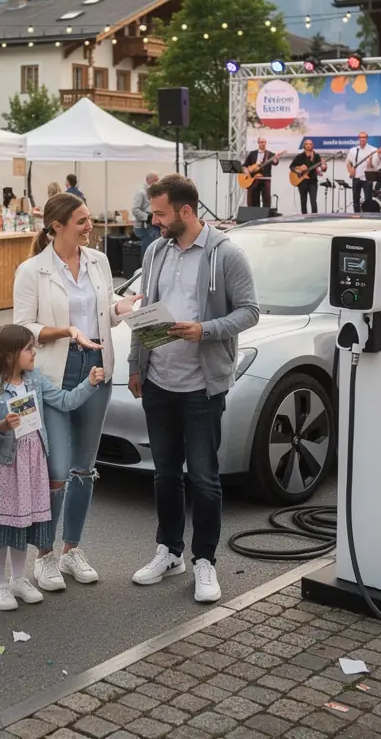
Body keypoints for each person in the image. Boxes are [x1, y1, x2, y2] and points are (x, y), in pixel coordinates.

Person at [127, 174, 259, 604]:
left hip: (203, 387)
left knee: (203, 478)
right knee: (164, 473)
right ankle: (169, 550)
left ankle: (205, 560)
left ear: (186, 211)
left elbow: (250, 312)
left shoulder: (227, 255)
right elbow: (146, 310)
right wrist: (135, 364)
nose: (154, 220)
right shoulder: (155, 251)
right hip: (159, 381)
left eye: (161, 213)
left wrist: (205, 330)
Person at [13, 193, 142, 591]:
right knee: (56, 470)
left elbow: (104, 307)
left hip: (98, 369)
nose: (90, 227)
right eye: (82, 221)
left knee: (84, 467)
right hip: (54, 372)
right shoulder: (32, 270)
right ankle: (44, 555)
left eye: (89, 219)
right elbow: (23, 328)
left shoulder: (98, 261)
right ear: (57, 226)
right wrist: (67, 331)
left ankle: (71, 549)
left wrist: (124, 307)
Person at [0, 323, 106, 611]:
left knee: (23, 522)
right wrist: (2, 426)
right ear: (8, 355)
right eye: (29, 349)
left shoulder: (35, 379)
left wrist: (89, 383)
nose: (34, 353)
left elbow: (65, 402)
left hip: (32, 463)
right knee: (1, 525)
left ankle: (18, 579)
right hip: (4, 464)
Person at [346, 132, 380, 213]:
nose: (362, 139)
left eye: (364, 137)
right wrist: (351, 171)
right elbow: (348, 163)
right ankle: (356, 216)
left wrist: (371, 163)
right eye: (361, 137)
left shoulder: (373, 150)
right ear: (359, 138)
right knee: (355, 200)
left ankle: (368, 217)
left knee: (368, 200)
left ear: (367, 138)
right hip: (356, 178)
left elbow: (375, 166)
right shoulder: (353, 150)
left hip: (367, 179)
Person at [288, 141, 326, 214]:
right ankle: (304, 217)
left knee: (313, 201)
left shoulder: (316, 156)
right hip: (302, 181)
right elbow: (291, 167)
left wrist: (323, 167)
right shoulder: (299, 156)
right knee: (303, 200)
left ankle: (315, 217)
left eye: (310, 144)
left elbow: (322, 168)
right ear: (304, 146)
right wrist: (298, 171)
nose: (308, 145)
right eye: (306, 144)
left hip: (313, 181)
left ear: (313, 146)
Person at [243, 136, 279, 208]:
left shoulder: (270, 154)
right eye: (261, 142)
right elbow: (245, 165)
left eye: (264, 142)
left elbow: (275, 163)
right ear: (258, 143)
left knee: (266, 198)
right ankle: (255, 216)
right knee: (254, 199)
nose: (263, 144)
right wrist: (246, 171)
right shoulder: (252, 153)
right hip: (254, 180)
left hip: (265, 179)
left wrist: (276, 160)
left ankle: (266, 217)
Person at [131, 172, 160, 255]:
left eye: (158, 180)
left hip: (153, 226)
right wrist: (147, 217)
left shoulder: (153, 192)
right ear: (148, 180)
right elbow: (135, 210)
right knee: (148, 252)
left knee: (154, 251)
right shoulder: (141, 192)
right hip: (144, 227)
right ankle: (145, 267)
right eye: (155, 180)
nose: (157, 182)